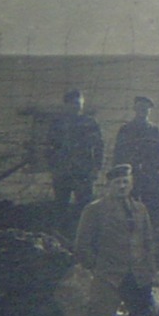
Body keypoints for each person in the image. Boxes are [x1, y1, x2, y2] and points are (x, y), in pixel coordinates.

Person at [72, 164, 156, 316]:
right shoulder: (95, 209)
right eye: (117, 182)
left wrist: (149, 270)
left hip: (137, 276)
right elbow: (82, 246)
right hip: (108, 277)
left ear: (131, 183)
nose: (122, 186)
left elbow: (148, 242)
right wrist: (98, 268)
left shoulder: (140, 209)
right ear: (108, 185)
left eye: (125, 182)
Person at [47, 88, 105, 221]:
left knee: (85, 208)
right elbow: (50, 147)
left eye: (79, 103)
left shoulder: (89, 122)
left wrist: (96, 168)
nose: (77, 106)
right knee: (61, 207)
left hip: (83, 172)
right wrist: (53, 168)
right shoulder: (57, 124)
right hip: (62, 172)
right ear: (66, 104)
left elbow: (99, 147)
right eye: (73, 103)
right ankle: (61, 235)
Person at [112, 95, 159, 215]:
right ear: (135, 109)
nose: (143, 112)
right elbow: (118, 153)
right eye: (140, 108)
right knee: (129, 205)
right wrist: (119, 173)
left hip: (150, 175)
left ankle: (151, 230)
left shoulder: (154, 130)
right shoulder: (126, 129)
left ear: (149, 111)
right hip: (131, 174)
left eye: (146, 109)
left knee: (152, 207)